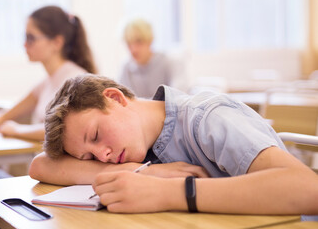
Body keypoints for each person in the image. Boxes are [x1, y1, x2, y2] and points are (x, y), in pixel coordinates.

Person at [29, 74, 318, 215]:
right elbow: (40, 165)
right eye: (87, 157)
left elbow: (309, 190)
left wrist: (171, 192)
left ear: (115, 98)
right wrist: (138, 172)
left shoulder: (206, 118)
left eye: (95, 136)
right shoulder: (130, 147)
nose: (102, 156)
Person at [0, 6, 96, 141]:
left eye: (31, 38)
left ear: (57, 42)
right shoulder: (48, 82)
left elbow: (64, 130)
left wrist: (17, 130)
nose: (25, 45)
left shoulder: (76, 80)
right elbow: (5, 116)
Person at [119, 18, 186, 98]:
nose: (134, 49)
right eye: (129, 43)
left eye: (139, 42)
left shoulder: (169, 62)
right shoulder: (126, 68)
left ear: (150, 40)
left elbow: (179, 97)